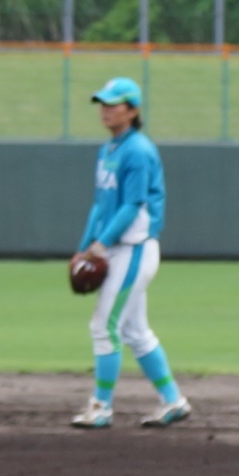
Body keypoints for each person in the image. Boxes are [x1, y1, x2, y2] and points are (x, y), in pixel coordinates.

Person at [73, 74, 188, 428]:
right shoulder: (108, 150)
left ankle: (101, 407)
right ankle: (174, 401)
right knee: (135, 332)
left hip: (134, 249)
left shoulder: (138, 150)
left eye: (113, 104)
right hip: (116, 249)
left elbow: (132, 205)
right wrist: (84, 249)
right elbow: (100, 204)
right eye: (103, 104)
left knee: (104, 325)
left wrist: (101, 245)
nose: (105, 110)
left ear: (133, 109)